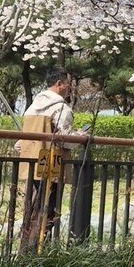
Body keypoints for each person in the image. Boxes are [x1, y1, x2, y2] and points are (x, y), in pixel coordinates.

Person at [19, 68, 85, 249]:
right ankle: (38, 251)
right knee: (48, 212)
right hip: (52, 165)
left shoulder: (32, 106)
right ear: (59, 84)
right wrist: (80, 137)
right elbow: (64, 139)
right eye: (67, 84)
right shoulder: (61, 107)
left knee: (31, 210)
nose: (69, 88)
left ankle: (25, 250)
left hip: (32, 164)